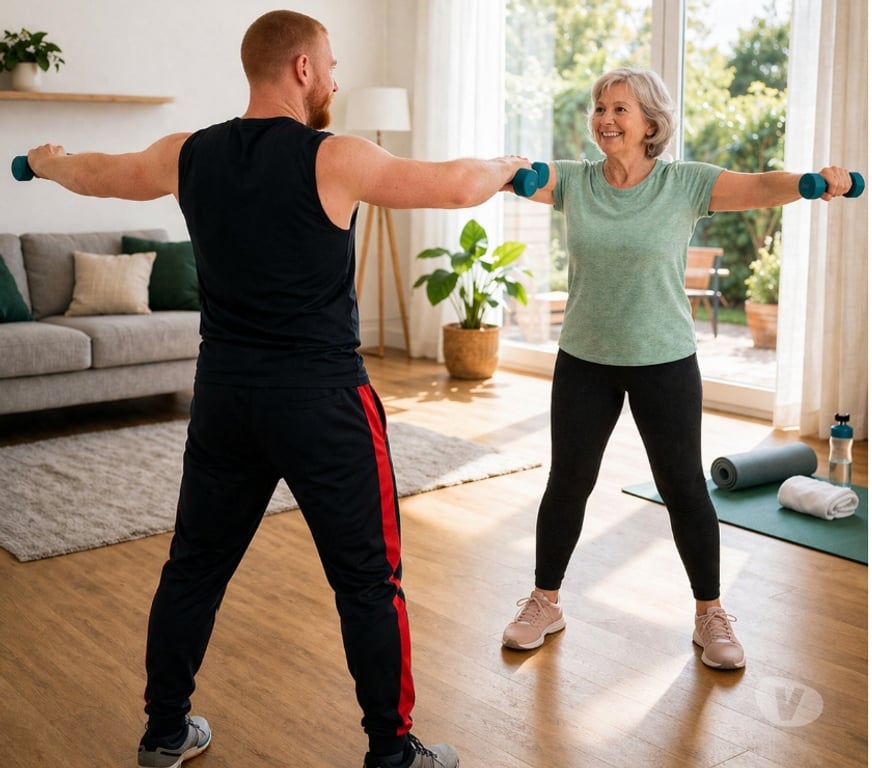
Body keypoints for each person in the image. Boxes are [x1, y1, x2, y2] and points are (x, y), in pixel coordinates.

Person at [26, 10, 531, 768]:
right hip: (324, 402)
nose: (334, 78)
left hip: (226, 398)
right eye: (329, 64)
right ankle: (392, 753)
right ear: (300, 68)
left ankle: (165, 730)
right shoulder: (334, 157)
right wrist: (508, 163)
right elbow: (456, 188)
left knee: (194, 564)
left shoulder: (188, 153)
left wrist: (48, 161)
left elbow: (100, 175)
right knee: (368, 579)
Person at [500, 67, 853, 670]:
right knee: (569, 483)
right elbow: (516, 176)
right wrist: (506, 168)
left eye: (620, 109)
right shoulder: (574, 182)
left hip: (664, 359)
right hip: (584, 358)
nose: (606, 119)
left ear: (649, 123)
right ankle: (544, 600)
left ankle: (710, 613)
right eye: (599, 108)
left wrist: (815, 183)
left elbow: (758, 185)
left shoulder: (684, 183)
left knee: (684, 487)